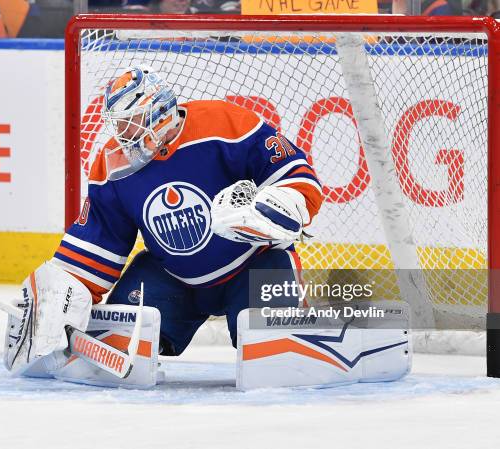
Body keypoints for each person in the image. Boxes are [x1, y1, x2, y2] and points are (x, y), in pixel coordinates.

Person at [50, 65, 323, 356]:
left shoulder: (226, 123)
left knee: (276, 353)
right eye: (119, 124)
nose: (124, 134)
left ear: (160, 110)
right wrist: (60, 297)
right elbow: (97, 242)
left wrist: (274, 209)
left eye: (132, 121)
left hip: (253, 266)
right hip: (172, 278)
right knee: (115, 342)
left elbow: (297, 178)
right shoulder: (112, 165)